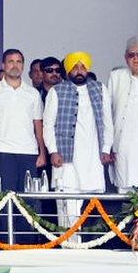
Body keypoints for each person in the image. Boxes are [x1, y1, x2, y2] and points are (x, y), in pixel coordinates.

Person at [43, 52, 113, 233]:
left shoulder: (100, 89)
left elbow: (107, 122)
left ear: (88, 69)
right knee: (67, 205)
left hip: (92, 157)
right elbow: (48, 125)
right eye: (75, 67)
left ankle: (89, 247)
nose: (79, 70)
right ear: (68, 70)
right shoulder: (56, 91)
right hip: (66, 158)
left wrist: (106, 148)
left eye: (82, 67)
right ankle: (68, 246)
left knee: (92, 205)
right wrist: (53, 151)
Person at [0, 49, 45, 243]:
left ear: (23, 66)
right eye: (11, 61)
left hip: (28, 152)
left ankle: (27, 244)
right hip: (2, 152)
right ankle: (4, 243)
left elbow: (38, 125)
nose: (15, 65)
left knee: (28, 201)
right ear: (3, 65)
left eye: (19, 62)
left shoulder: (32, 93)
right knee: (3, 200)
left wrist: (42, 152)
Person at [110, 36, 138, 192]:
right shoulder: (116, 77)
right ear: (126, 58)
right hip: (123, 144)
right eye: (132, 55)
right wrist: (108, 146)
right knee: (125, 188)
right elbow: (107, 112)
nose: (136, 58)